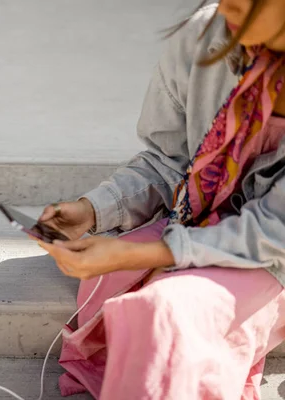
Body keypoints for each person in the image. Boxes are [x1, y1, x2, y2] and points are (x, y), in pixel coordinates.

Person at [36, 1, 285, 399]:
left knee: (169, 311)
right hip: (194, 218)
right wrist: (92, 209)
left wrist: (141, 255)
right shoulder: (205, 34)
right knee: (108, 282)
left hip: (272, 256)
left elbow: (273, 234)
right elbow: (168, 162)